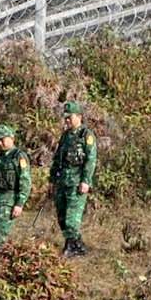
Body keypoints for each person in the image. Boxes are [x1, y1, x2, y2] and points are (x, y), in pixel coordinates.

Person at [50, 101, 98, 257]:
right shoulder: (65, 136)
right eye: (65, 118)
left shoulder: (86, 135)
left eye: (69, 117)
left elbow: (90, 160)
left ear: (79, 116)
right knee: (62, 217)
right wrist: (52, 179)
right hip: (62, 181)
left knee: (72, 219)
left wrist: (86, 181)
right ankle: (77, 245)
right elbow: (57, 158)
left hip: (77, 183)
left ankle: (70, 247)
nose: (67, 120)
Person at [0, 124, 32, 248]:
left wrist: (19, 204)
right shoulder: (0, 157)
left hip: (9, 200)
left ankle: (2, 257)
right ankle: (0, 257)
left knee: (0, 234)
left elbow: (25, 181)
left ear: (11, 138)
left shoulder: (19, 156)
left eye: (2, 140)